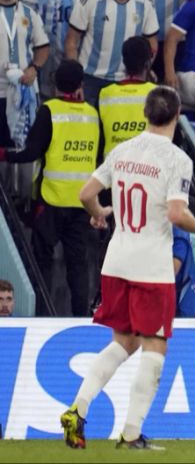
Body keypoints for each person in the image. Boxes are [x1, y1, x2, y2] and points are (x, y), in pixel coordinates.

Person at [61, 85, 195, 450]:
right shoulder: (177, 159)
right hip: (151, 265)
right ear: (177, 115)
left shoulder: (122, 150)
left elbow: (86, 194)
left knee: (123, 341)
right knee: (154, 347)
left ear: (145, 114)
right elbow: (177, 213)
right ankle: (131, 434)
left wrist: (100, 213)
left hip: (116, 261)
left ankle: (78, 409)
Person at [0, 61, 95, 316]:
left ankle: (42, 316)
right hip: (82, 204)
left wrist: (4, 155)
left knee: (42, 263)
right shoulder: (92, 114)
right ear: (80, 86)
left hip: (51, 200)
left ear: (54, 86)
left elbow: (31, 152)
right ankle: (81, 318)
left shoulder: (50, 110)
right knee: (78, 265)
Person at [65, 0, 159, 107]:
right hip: (90, 79)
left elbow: (152, 45)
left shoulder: (145, 2)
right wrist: (76, 82)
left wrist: (143, 71)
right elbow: (71, 42)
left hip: (126, 82)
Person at [0, 0, 49, 149]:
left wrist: (34, 68)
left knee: (20, 148)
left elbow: (42, 46)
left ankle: (18, 181)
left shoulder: (30, 13)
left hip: (22, 93)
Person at [98, 37, 155, 158]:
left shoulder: (105, 94)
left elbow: (99, 139)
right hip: (148, 170)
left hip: (113, 169)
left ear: (124, 61)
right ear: (148, 62)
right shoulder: (158, 94)